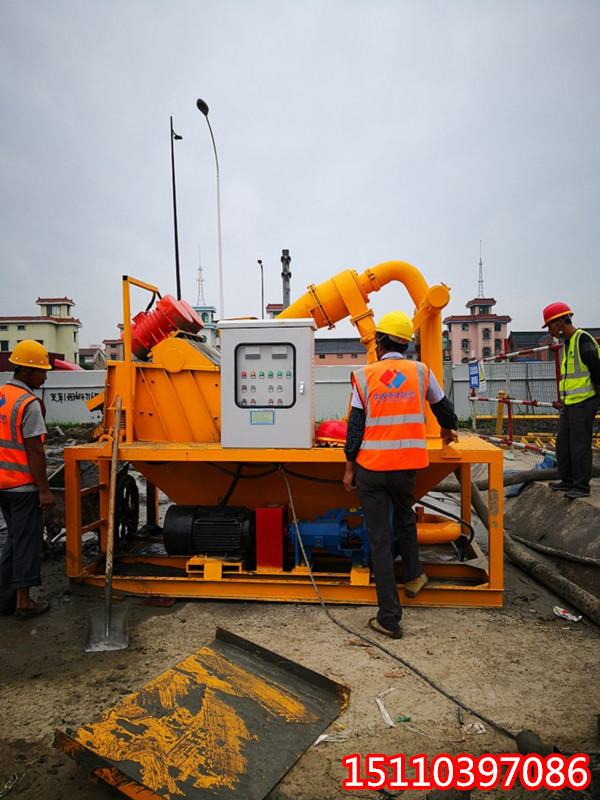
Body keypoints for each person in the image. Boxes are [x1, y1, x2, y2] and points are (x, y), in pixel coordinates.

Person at [343, 311, 458, 639]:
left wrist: (349, 468)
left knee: (379, 539)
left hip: (372, 469)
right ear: (405, 343)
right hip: (406, 467)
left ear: (379, 343)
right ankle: (413, 577)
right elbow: (444, 409)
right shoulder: (421, 372)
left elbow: (354, 429)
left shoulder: (365, 375)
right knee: (405, 518)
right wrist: (449, 431)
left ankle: (389, 619)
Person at [0, 340, 55, 619]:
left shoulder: (1, 396)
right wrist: (44, 490)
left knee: (14, 539)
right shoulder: (29, 404)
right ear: (24, 372)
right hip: (22, 486)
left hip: (2, 485)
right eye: (41, 372)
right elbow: (35, 449)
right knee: (26, 542)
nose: (45, 376)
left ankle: (4, 598)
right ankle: (23, 601)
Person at [542, 302, 600, 499]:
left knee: (580, 444)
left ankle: (581, 486)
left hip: (585, 402)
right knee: (563, 443)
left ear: (560, 321)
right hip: (571, 403)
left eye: (550, 326)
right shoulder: (567, 343)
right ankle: (567, 480)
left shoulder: (582, 340)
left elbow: (598, 373)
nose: (550, 331)